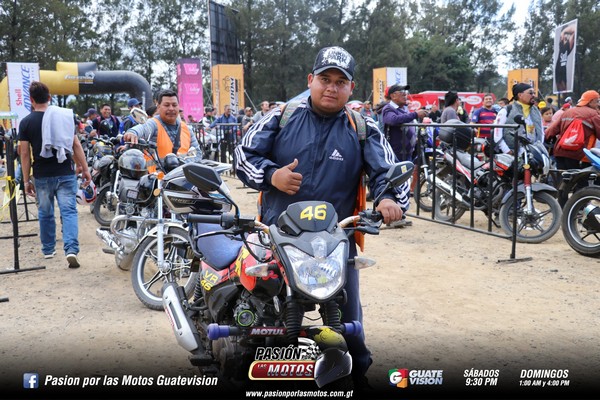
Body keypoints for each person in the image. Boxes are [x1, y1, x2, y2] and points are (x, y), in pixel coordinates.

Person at [234, 46, 410, 388]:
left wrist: (389, 198)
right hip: (277, 241)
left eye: (340, 82)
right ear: (310, 80)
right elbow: (243, 156)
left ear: (351, 88)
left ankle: (355, 378)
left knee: (348, 328)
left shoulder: (363, 127)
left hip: (335, 244)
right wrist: (271, 175)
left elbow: (387, 173)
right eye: (325, 79)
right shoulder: (280, 117)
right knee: (266, 322)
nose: (331, 88)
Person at [18, 81, 91, 268]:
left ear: (31, 100)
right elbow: (75, 145)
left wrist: (26, 180)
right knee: (69, 211)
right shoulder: (64, 117)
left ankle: (48, 249)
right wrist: (85, 168)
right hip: (65, 172)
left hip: (41, 175)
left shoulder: (26, 122)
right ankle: (71, 249)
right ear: (49, 98)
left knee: (45, 212)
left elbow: (24, 154)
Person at [381, 83, 427, 226]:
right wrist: (415, 114)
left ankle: (400, 215)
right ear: (393, 95)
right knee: (396, 184)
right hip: (395, 154)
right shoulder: (388, 109)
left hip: (406, 154)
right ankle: (393, 218)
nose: (405, 95)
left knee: (404, 184)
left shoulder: (403, 109)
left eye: (405, 93)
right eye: (401, 92)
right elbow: (392, 121)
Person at [122, 89, 202, 168]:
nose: (171, 108)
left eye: (174, 105)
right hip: (158, 175)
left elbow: (197, 153)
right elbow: (143, 127)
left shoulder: (187, 129)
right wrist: (133, 132)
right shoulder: (154, 123)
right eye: (166, 105)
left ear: (178, 107)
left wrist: (183, 163)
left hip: (181, 175)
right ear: (158, 107)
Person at [545, 90, 600, 171]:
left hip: (560, 152)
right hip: (580, 155)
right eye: (597, 101)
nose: (598, 104)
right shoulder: (594, 114)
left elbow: (550, 132)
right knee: (581, 179)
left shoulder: (568, 112)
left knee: (562, 177)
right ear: (591, 101)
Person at [494, 83, 544, 155]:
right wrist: (507, 151)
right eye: (530, 93)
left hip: (532, 153)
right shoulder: (507, 110)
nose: (533, 95)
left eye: (534, 93)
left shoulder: (536, 111)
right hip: (511, 154)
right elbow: (497, 134)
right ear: (520, 95)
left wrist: (538, 149)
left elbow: (541, 132)